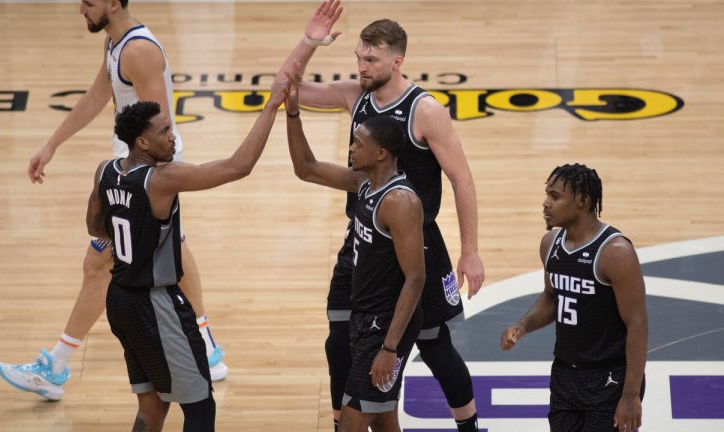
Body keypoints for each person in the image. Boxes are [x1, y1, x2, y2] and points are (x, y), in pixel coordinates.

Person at [0, 0, 227, 401]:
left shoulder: (139, 51)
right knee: (176, 248)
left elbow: (160, 127)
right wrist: (52, 145)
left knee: (98, 263)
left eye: (88, 2)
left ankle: (55, 366)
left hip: (143, 171)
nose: (81, 8)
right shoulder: (114, 43)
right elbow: (95, 96)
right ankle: (206, 348)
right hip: (133, 167)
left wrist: (133, 186)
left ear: (114, 3)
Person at [277, 2, 484, 430]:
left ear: (397, 59)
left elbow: (462, 180)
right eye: (358, 57)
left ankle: (468, 425)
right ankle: (343, 421)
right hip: (364, 236)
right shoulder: (354, 94)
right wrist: (309, 41)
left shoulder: (425, 110)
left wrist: (471, 252)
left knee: (435, 347)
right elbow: (285, 87)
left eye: (371, 58)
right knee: (339, 342)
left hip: (416, 242)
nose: (362, 65)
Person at [86, 87, 285, 429]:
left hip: (119, 300)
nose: (173, 136)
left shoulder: (105, 171)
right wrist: (271, 107)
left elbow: (94, 226)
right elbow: (239, 166)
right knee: (200, 407)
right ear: (142, 143)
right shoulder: (163, 178)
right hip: (157, 304)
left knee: (151, 405)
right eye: (164, 131)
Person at [284, 73, 425, 432]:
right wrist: (293, 115)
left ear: (380, 153)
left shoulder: (399, 202)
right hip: (365, 315)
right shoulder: (365, 183)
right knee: (383, 419)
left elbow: (415, 278)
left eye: (358, 143)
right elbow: (307, 169)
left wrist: (390, 348)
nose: (351, 147)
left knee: (351, 423)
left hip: (384, 325)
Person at [500, 163, 648, 432]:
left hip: (609, 377)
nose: (545, 204)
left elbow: (637, 323)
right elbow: (552, 296)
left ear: (582, 200)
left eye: (555, 196)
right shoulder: (550, 244)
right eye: (547, 194)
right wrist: (522, 326)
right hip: (565, 374)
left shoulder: (615, 253)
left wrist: (631, 395)